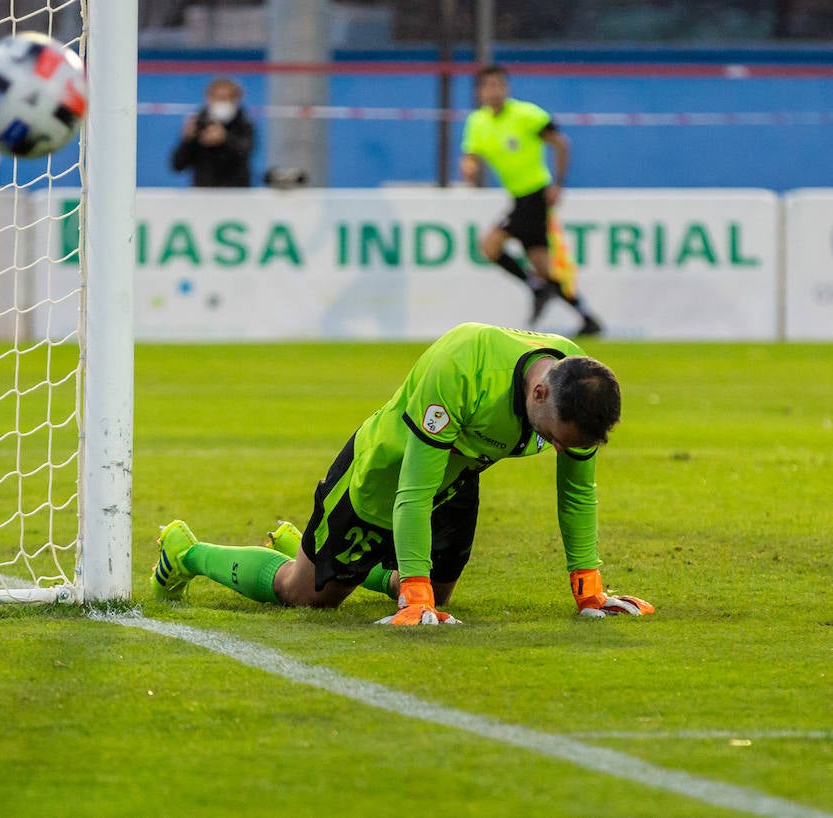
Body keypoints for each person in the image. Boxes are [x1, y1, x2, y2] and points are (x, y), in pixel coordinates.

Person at [149, 322, 655, 626]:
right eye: (559, 439)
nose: (559, 448)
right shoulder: (464, 366)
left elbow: (577, 494)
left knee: (438, 600)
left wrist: (589, 588)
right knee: (305, 596)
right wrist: (413, 588)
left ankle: (309, 548)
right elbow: (412, 489)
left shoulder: (576, 384)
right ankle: (186, 551)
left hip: (458, 477)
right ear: (539, 394)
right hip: (385, 475)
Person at [461, 65, 603, 338]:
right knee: (543, 265)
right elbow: (472, 155)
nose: (495, 91)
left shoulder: (526, 115)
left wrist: (558, 183)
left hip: (535, 194)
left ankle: (536, 287)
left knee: (490, 246)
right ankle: (587, 316)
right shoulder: (477, 122)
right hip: (517, 196)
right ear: (479, 92)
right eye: (489, 86)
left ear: (507, 88)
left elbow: (560, 142)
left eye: (499, 85)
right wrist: (468, 167)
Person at [170, 77, 254, 188]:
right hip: (203, 193)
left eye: (226, 98)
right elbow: (177, 165)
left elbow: (246, 152)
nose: (221, 102)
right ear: (208, 98)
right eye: (217, 97)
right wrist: (187, 140)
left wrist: (225, 138)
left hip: (236, 192)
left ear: (236, 99)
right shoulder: (199, 123)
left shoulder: (244, 123)